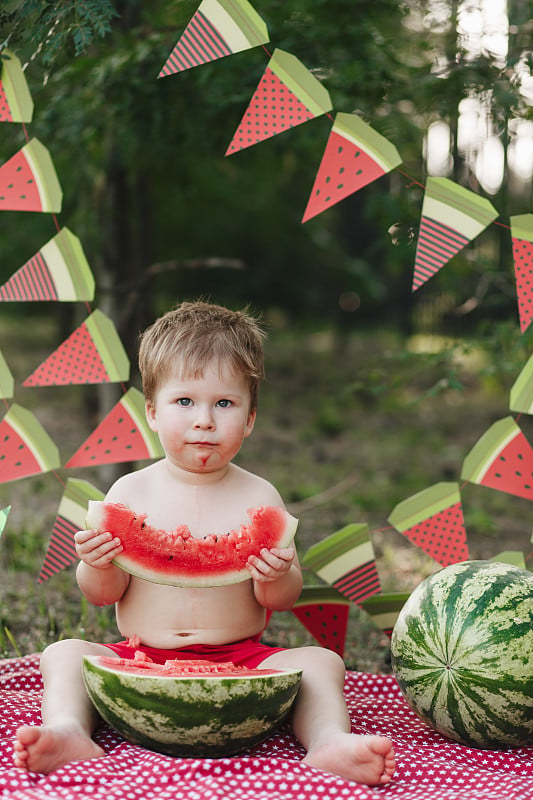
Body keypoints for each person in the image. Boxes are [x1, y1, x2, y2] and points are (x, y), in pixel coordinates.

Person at [13, 300, 395, 785]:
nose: (204, 421)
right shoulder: (129, 494)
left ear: (250, 418)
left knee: (322, 662)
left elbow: (280, 599)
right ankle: (68, 730)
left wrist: (277, 576)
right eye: (185, 402)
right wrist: (97, 563)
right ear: (151, 412)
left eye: (224, 403)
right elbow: (102, 594)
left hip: (241, 663)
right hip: (139, 660)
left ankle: (329, 741)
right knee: (63, 654)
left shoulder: (261, 497)